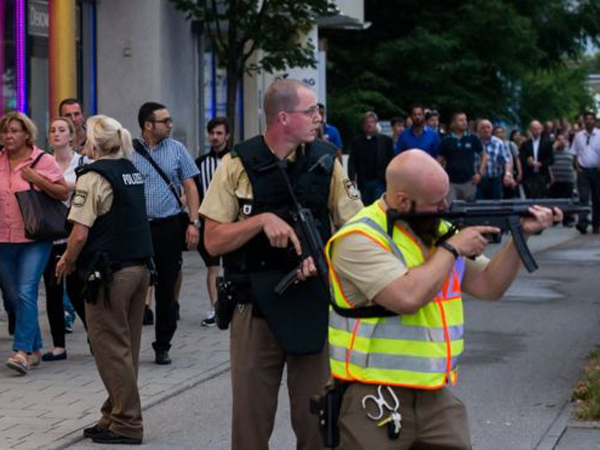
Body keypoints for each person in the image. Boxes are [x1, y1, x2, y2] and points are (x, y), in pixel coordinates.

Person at [326, 149, 559, 449]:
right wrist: (451, 250)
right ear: (401, 200)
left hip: (436, 393)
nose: (445, 207)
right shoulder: (358, 239)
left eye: (445, 198)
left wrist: (521, 236)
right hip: (374, 395)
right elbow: (407, 297)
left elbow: (489, 285)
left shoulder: (436, 230)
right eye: (436, 203)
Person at [200, 79, 362, 450]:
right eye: (312, 111)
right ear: (284, 117)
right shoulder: (236, 164)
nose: (319, 118)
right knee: (250, 427)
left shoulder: (327, 162)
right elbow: (212, 240)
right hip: (253, 308)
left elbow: (357, 235)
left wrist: (324, 259)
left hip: (310, 304)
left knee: (317, 426)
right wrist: (259, 221)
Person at [56, 115, 153, 445]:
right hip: (139, 270)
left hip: (110, 274)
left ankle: (127, 422)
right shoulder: (131, 172)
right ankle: (113, 412)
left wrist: (67, 261)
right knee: (126, 348)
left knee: (110, 349)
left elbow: (80, 233)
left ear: (93, 142)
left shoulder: (93, 176)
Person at [0, 112, 68, 374]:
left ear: (27, 134)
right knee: (12, 296)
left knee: (26, 292)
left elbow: (63, 192)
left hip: (33, 238)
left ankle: (21, 352)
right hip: (3, 239)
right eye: (5, 131)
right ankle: (36, 348)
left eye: (14, 131)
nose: (8, 136)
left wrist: (37, 179)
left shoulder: (42, 159)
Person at [132, 102, 200, 365]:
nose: (170, 124)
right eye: (165, 121)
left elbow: (191, 187)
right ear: (148, 125)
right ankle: (131, 342)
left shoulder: (176, 149)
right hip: (138, 228)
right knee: (135, 284)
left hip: (168, 226)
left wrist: (194, 222)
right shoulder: (129, 151)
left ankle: (163, 344)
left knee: (166, 286)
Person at [41, 117, 89, 361]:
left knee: (77, 289)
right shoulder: (43, 162)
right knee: (52, 289)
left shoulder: (82, 161)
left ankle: (94, 335)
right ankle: (59, 346)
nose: (57, 134)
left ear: (72, 136)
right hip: (49, 233)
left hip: (75, 232)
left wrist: (56, 185)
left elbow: (86, 186)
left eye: (62, 130)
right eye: (53, 130)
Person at [194, 116, 230, 327]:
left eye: (219, 133)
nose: (215, 137)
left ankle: (231, 305)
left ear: (227, 135)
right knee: (213, 267)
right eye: (212, 133)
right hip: (208, 222)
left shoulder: (234, 159)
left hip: (231, 220)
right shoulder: (200, 163)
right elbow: (196, 192)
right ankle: (216, 307)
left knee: (231, 265)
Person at [437, 111, 486, 201]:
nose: (464, 122)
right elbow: (439, 160)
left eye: (465, 120)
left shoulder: (472, 138)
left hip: (469, 181)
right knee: (453, 209)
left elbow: (484, 156)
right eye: (461, 120)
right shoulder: (446, 140)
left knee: (468, 210)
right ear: (454, 123)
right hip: (451, 182)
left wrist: (480, 173)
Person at [348, 111, 394, 206]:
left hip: (380, 180)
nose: (369, 124)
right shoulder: (357, 141)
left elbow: (391, 160)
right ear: (363, 125)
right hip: (364, 180)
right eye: (367, 122)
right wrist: (352, 177)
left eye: (372, 122)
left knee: (379, 205)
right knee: (366, 206)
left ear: (376, 124)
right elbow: (352, 160)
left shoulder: (386, 141)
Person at [569, 111, 600, 234]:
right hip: (583, 170)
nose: (588, 121)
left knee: (597, 198)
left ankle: (596, 223)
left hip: (597, 171)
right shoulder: (578, 136)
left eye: (591, 119)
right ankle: (582, 222)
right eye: (586, 119)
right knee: (583, 197)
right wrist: (577, 166)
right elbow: (575, 152)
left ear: (595, 121)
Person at [476, 119, 513, 200]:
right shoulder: (474, 143)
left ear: (492, 129)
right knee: (479, 207)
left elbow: (507, 160)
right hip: (479, 181)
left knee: (496, 206)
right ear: (478, 130)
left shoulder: (498, 143)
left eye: (488, 127)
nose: (486, 130)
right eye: (483, 128)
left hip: (495, 180)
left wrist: (507, 174)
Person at [520, 120, 554, 199]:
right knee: (529, 196)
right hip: (529, 175)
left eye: (538, 129)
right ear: (531, 130)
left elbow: (551, 159)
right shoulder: (526, 144)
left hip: (542, 174)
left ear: (541, 129)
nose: (537, 131)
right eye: (534, 129)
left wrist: (541, 163)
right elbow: (522, 158)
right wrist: (528, 161)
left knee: (542, 196)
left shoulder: (547, 143)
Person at [550, 134, 576, 226]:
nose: (561, 142)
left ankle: (567, 219)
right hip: (555, 180)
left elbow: (574, 163)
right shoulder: (552, 151)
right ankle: (555, 219)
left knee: (568, 200)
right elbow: (547, 157)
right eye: (559, 140)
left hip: (568, 179)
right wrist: (554, 146)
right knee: (555, 200)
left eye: (563, 139)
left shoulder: (570, 151)